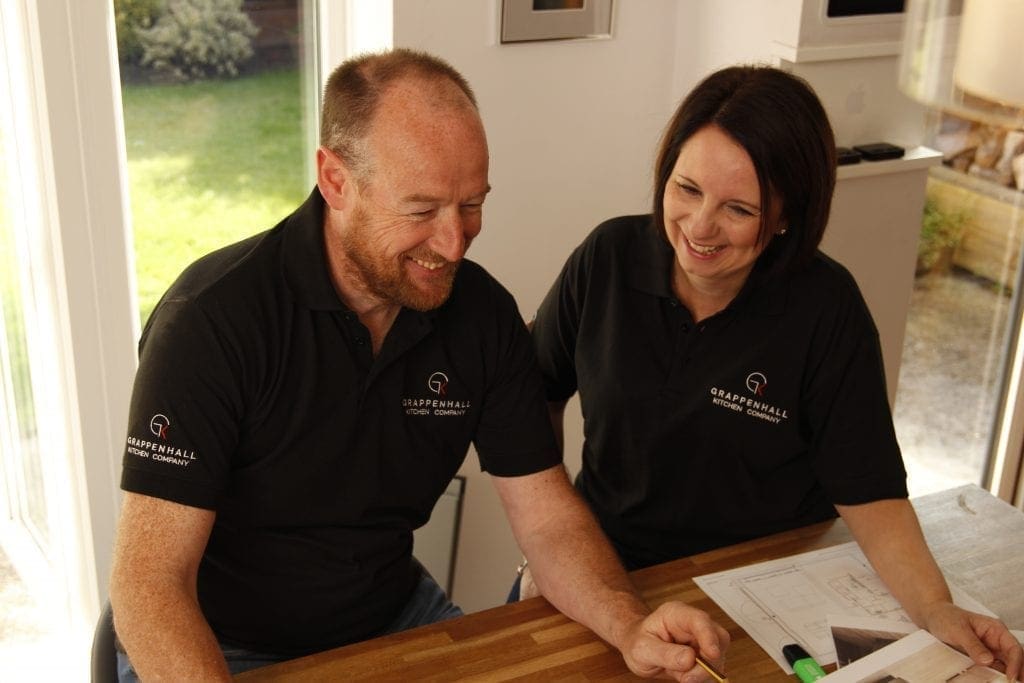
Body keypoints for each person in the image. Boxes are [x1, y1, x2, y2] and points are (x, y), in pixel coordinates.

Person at [108, 48, 730, 682]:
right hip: (219, 646)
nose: (453, 243)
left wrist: (629, 624)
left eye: (472, 205)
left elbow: (545, 517)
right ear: (336, 181)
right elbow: (148, 583)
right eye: (422, 211)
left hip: (394, 615)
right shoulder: (212, 321)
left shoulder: (482, 315)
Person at [525, 64, 1023, 679]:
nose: (699, 227)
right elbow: (534, 397)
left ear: (787, 216)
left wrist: (935, 606)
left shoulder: (826, 309)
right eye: (686, 189)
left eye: (738, 208)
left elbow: (871, 494)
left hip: (761, 590)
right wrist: (559, 539)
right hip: (611, 571)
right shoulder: (607, 257)